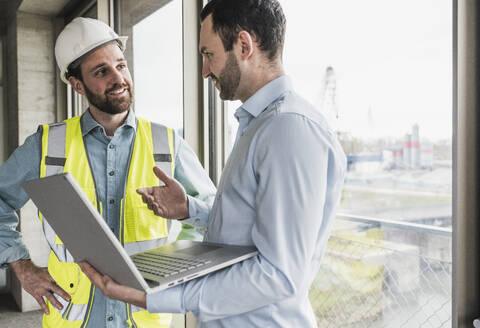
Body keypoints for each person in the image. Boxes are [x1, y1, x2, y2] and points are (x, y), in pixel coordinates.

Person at [80, 0, 347, 327]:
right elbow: (250, 229)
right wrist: (191, 208)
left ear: (244, 46)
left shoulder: (288, 128)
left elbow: (278, 274)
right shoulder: (261, 124)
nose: (205, 71)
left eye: (208, 55)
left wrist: (154, 296)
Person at [0, 17, 216, 328]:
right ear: (77, 85)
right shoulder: (46, 145)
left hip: (143, 321)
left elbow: (214, 219)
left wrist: (185, 217)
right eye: (101, 71)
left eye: (121, 65)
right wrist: (22, 267)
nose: (118, 78)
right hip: (73, 321)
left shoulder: (168, 144)